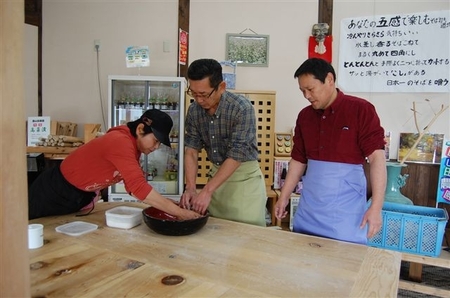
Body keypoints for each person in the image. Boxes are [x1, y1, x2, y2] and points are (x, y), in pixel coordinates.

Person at [274, 58, 386, 244]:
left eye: (311, 89)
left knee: (344, 261)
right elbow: (298, 160)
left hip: (346, 209)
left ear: (329, 80)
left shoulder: (361, 109)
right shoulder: (305, 116)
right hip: (310, 205)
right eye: (302, 91)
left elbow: (377, 159)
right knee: (304, 256)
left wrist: (376, 207)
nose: (307, 96)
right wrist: (283, 197)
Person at [28, 109, 201, 220]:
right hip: (53, 190)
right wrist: (180, 213)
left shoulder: (134, 147)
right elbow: (138, 188)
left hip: (77, 195)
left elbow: (133, 185)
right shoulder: (120, 142)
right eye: (155, 141)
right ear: (140, 129)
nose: (155, 148)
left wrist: (166, 203)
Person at [180, 58, 267, 226]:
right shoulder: (194, 111)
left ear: (221, 87)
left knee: (246, 241)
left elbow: (237, 154)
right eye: (194, 93)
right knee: (215, 238)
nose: (198, 100)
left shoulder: (241, 108)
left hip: (244, 182)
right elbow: (191, 150)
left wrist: (206, 191)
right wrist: (190, 187)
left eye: (204, 95)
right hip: (216, 183)